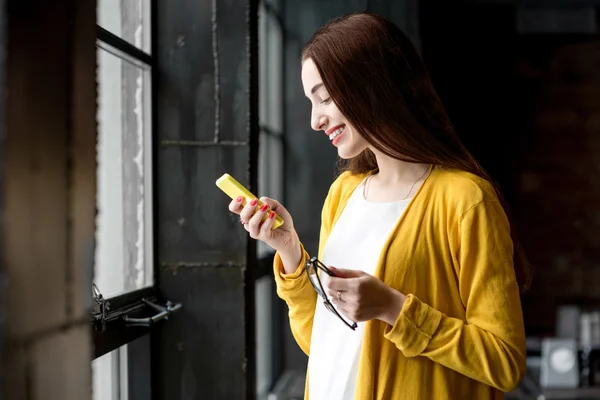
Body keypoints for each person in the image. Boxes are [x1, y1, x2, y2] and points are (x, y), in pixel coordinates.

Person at [228, 12, 530, 400]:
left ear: (370, 84)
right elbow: (322, 342)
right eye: (310, 101)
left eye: (324, 97)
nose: (315, 120)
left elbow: (504, 363)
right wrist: (288, 249)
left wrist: (393, 308)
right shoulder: (343, 193)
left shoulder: (465, 199)